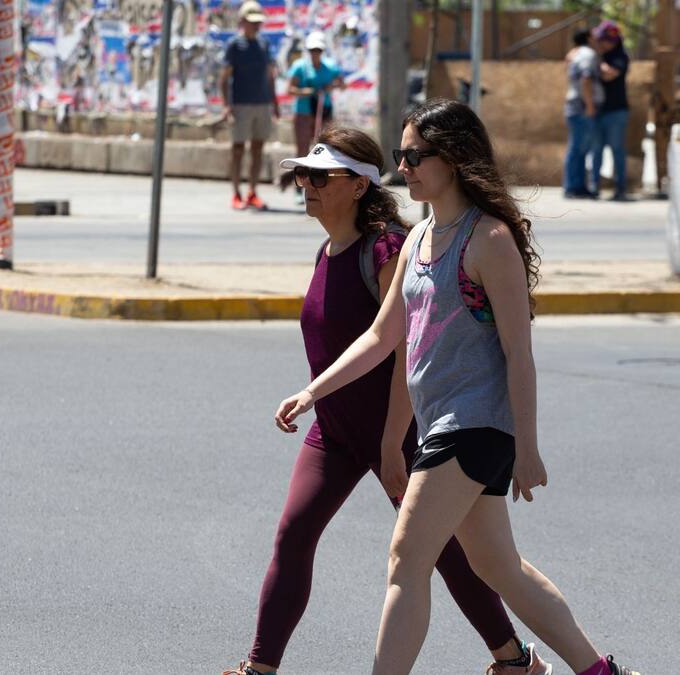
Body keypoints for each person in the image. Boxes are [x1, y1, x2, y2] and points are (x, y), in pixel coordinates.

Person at [274, 99, 640, 675]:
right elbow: (379, 336)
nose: (405, 167)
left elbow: (520, 353)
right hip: (445, 423)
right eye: (401, 155)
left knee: (406, 558)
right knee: (499, 567)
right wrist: (313, 391)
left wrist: (527, 446)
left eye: (416, 156)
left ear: (454, 159)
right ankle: (599, 671)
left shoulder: (489, 239)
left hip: (473, 427)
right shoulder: (419, 238)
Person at [224, 126, 544, 675]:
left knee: (443, 551)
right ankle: (260, 668)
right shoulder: (328, 248)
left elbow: (400, 349)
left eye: (321, 177)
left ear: (359, 185)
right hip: (336, 430)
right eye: (303, 175)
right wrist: (310, 396)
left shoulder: (388, 248)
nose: (307, 185)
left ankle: (513, 660)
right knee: (293, 534)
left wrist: (394, 441)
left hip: (396, 432)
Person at [218, 1, 279, 211]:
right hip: (241, 105)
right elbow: (224, 78)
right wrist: (226, 105)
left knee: (257, 149)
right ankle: (236, 193)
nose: (256, 26)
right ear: (242, 21)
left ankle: (253, 192)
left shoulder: (264, 45)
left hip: (262, 104)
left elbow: (270, 76)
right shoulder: (235, 45)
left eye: (258, 22)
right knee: (237, 150)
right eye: (252, 22)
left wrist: (275, 103)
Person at [286, 32, 344, 205]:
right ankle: (299, 187)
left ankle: (322, 185)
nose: (315, 53)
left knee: (325, 149)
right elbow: (290, 89)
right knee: (303, 150)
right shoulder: (299, 67)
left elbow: (342, 83)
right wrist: (308, 91)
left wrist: (330, 86)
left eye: (318, 50)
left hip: (324, 111)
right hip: (304, 112)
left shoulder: (330, 67)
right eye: (312, 50)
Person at [589, 21, 630, 201]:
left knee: (616, 150)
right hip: (599, 111)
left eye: (601, 40)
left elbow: (609, 74)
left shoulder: (619, 56)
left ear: (610, 41)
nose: (599, 43)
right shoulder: (601, 56)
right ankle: (594, 186)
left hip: (616, 111)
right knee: (596, 150)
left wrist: (598, 61)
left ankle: (620, 188)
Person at [563, 28, 602, 199]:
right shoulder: (588, 54)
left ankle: (576, 186)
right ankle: (574, 186)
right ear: (587, 38)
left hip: (575, 107)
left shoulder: (575, 54)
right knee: (579, 149)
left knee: (578, 149)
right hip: (582, 108)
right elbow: (586, 78)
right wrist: (590, 105)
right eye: (594, 37)